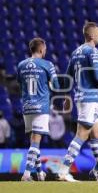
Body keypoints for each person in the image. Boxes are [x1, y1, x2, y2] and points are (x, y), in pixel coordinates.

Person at [58, 22, 98, 182]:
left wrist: (65, 96)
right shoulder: (93, 51)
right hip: (90, 97)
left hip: (82, 97)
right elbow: (97, 77)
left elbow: (67, 78)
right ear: (91, 35)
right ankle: (63, 170)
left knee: (97, 134)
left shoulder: (76, 52)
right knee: (82, 134)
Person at [17, 37, 60, 181]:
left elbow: (20, 84)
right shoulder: (47, 64)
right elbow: (57, 86)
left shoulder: (21, 65)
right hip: (41, 106)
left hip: (27, 106)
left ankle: (40, 172)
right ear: (42, 49)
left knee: (34, 141)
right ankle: (27, 174)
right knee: (36, 140)